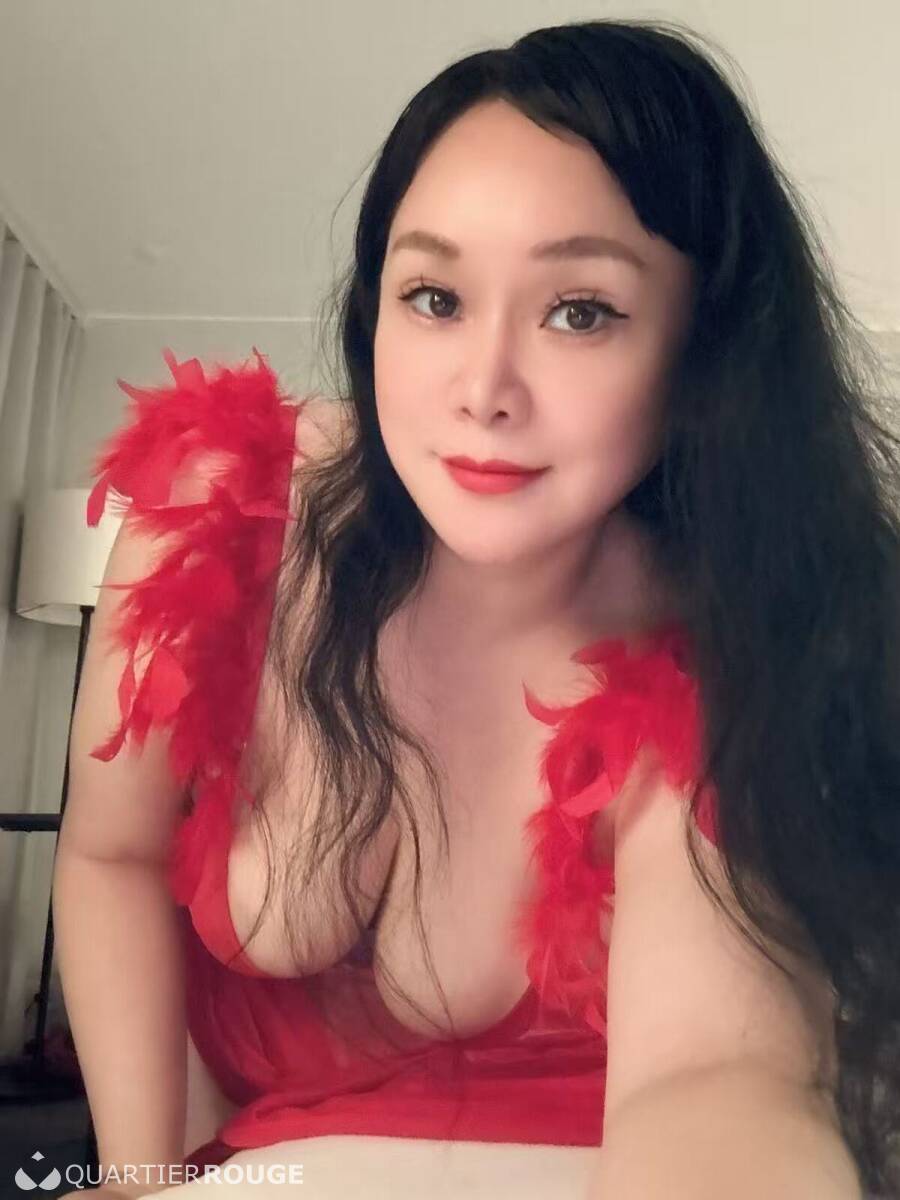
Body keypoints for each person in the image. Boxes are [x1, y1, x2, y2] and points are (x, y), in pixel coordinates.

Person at [54, 16, 899, 1200]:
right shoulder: (220, 511)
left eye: (580, 310)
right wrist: (137, 1171)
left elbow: (718, 1077)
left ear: (701, 353)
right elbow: (111, 852)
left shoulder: (738, 637)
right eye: (435, 296)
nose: (483, 390)